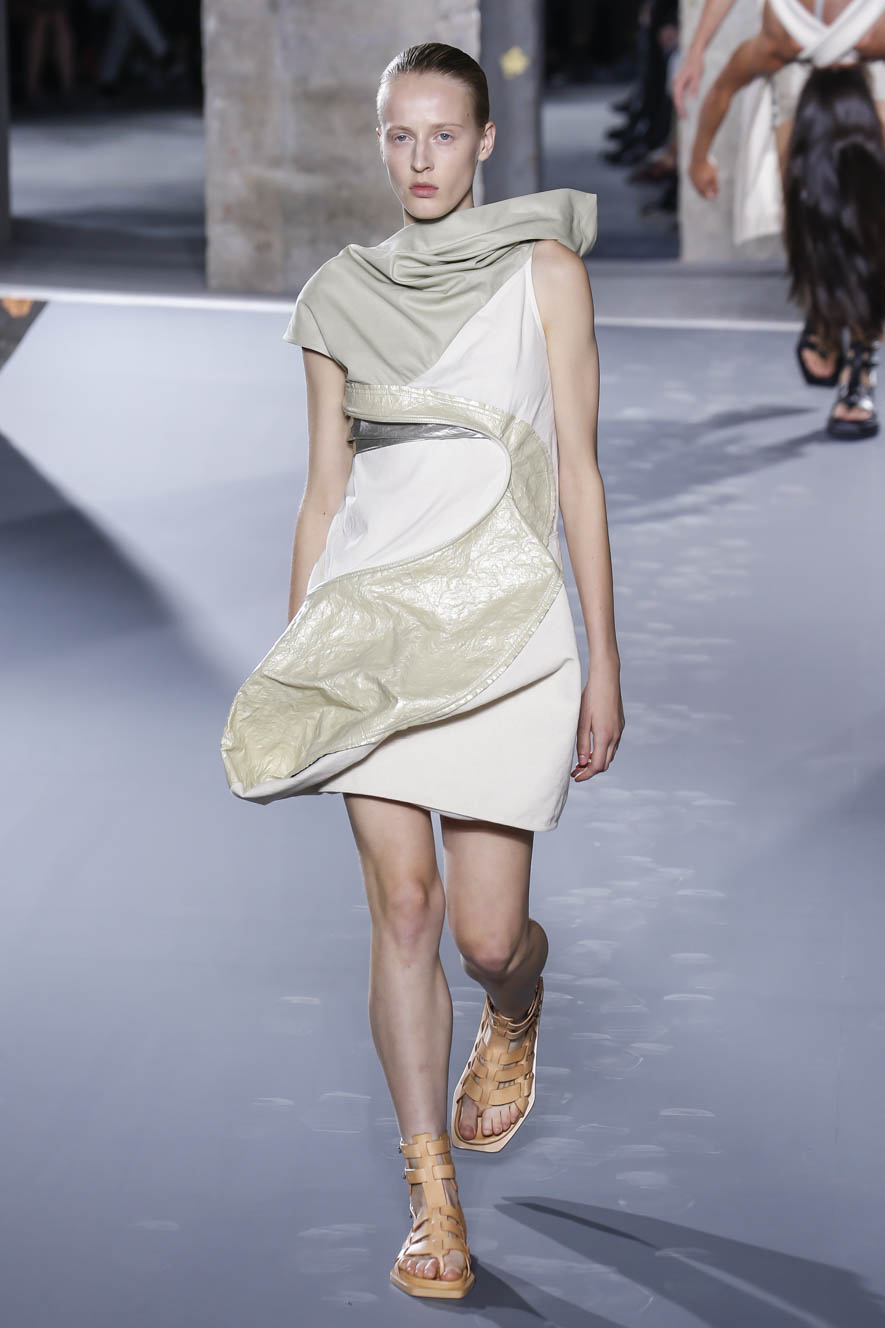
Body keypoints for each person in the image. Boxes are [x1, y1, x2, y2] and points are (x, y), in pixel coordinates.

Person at [220, 41, 624, 1299]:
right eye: (400, 135)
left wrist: (605, 660)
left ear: (487, 140)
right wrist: (302, 662)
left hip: (508, 630)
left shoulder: (547, 274)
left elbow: (580, 472)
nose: (421, 159)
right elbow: (323, 492)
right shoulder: (338, 294)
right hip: (373, 629)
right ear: (381, 140)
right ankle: (432, 1201)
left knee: (488, 935)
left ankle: (517, 1001)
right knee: (405, 908)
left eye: (444, 135)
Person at [685, 0, 885, 440]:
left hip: (871, 64)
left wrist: (700, 157)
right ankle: (825, 310)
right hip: (799, 66)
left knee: (872, 219)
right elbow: (723, 87)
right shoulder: (783, 39)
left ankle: (860, 363)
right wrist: (697, 48)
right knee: (805, 206)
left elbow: (723, 87)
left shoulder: (871, 33)